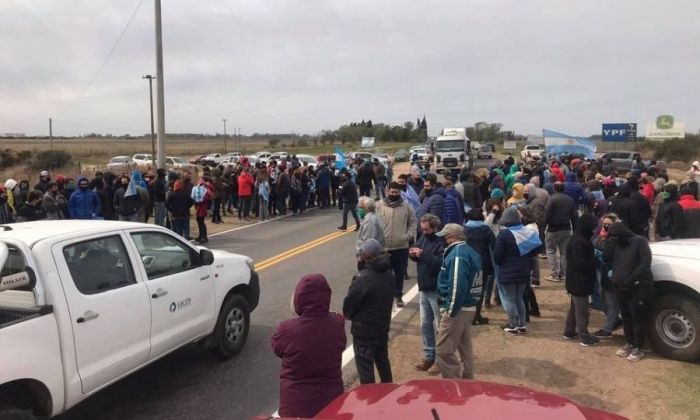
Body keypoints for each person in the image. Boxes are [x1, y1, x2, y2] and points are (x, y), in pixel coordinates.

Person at [272, 274, 346, 418]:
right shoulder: (338, 323)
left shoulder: (287, 329)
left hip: (295, 405)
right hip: (331, 400)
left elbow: (277, 348)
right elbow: (340, 345)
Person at [343, 239, 394, 384]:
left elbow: (350, 303)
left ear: (365, 255)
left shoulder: (362, 278)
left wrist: (348, 315)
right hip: (382, 328)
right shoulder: (388, 273)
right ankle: (388, 389)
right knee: (383, 362)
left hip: (364, 333)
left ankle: (369, 399)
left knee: (365, 370)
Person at [434, 223, 482, 379]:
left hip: (458, 309)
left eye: (445, 237)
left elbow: (457, 284)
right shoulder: (470, 252)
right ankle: (468, 381)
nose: (443, 240)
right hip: (469, 306)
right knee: (465, 347)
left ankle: (453, 387)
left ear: (452, 237)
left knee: (443, 351)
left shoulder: (457, 255)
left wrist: (450, 311)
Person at [604, 223, 655, 362]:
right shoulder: (617, 243)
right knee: (626, 316)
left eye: (616, 237)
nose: (615, 239)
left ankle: (638, 347)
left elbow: (645, 263)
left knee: (637, 317)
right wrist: (608, 241)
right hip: (620, 286)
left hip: (637, 287)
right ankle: (630, 342)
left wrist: (631, 278)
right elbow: (607, 257)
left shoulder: (640, 241)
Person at [493, 207, 542, 335]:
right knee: (519, 297)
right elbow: (537, 248)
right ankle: (522, 325)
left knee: (510, 299)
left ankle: (512, 325)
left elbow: (497, 255)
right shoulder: (527, 232)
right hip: (524, 270)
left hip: (507, 271)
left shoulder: (504, 234)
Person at [408, 214, 445, 373]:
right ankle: (428, 356)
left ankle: (441, 359)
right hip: (424, 288)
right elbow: (417, 249)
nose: (424, 232)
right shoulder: (423, 238)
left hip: (436, 289)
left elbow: (440, 264)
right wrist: (414, 254)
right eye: (422, 229)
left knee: (440, 326)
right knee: (425, 325)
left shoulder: (441, 242)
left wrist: (422, 254)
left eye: (427, 229)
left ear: (435, 228)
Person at [376, 182, 417, 307]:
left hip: (401, 247)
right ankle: (384, 296)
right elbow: (373, 222)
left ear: (399, 192)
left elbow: (413, 222)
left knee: (399, 273)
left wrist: (408, 235)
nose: (394, 194)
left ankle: (398, 295)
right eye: (392, 192)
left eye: (396, 192)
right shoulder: (379, 205)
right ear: (388, 191)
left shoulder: (406, 206)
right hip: (384, 248)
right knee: (383, 274)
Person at [563, 213, 599, 346]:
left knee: (574, 308)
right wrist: (594, 260)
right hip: (580, 281)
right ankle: (584, 336)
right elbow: (580, 263)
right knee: (582, 310)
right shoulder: (581, 242)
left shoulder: (578, 238)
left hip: (575, 280)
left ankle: (569, 331)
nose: (594, 230)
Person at [592, 213, 622, 338]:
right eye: (604, 224)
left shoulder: (617, 240)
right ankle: (613, 320)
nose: (605, 227)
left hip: (611, 274)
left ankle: (608, 328)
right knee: (602, 299)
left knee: (611, 302)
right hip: (602, 272)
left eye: (608, 225)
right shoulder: (601, 236)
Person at [464, 210, 495, 325]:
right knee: (479, 290)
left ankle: (466, 314)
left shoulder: (464, 230)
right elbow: (494, 244)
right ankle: (476, 315)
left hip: (467, 262)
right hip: (483, 263)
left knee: (467, 289)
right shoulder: (486, 229)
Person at [544, 182, 577, 282]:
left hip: (553, 229)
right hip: (566, 229)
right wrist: (575, 230)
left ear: (554, 189)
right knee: (563, 253)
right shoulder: (570, 200)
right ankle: (563, 273)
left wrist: (546, 226)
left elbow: (548, 214)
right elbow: (574, 217)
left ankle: (554, 273)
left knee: (550, 251)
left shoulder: (552, 199)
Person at [356, 196, 384, 270]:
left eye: (360, 207)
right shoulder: (373, 217)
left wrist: (361, 258)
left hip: (370, 258)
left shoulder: (369, 221)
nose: (359, 210)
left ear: (366, 208)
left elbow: (368, 243)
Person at [191, 179, 212, 243]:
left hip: (202, 207)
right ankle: (201, 235)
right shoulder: (206, 190)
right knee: (199, 220)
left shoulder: (206, 191)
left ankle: (204, 236)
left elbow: (206, 199)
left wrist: (197, 202)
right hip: (200, 206)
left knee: (201, 221)